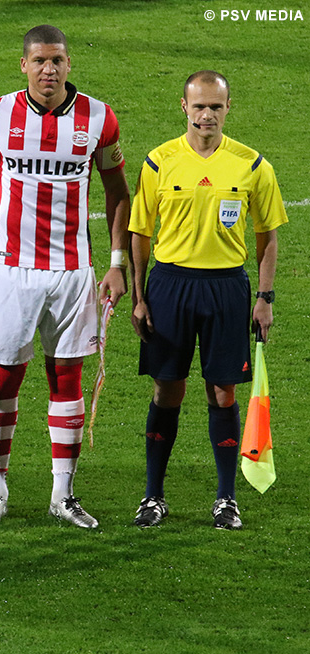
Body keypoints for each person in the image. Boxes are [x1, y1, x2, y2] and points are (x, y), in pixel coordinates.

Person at [0, 25, 130, 529]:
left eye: (57, 60)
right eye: (39, 61)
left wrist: (118, 265)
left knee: (66, 378)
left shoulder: (98, 118)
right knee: (3, 377)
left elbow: (118, 192)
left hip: (74, 270)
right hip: (10, 268)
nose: (48, 69)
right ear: (24, 65)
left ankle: (63, 495)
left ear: (69, 64)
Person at [129, 71, 287, 530]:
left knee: (223, 391)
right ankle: (153, 496)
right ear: (183, 106)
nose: (206, 115)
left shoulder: (252, 165)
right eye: (199, 106)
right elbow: (140, 233)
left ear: (227, 108)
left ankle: (226, 499)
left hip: (227, 288)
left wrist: (264, 297)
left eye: (215, 107)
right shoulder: (159, 163)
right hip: (170, 286)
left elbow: (267, 238)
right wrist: (139, 297)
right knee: (166, 388)